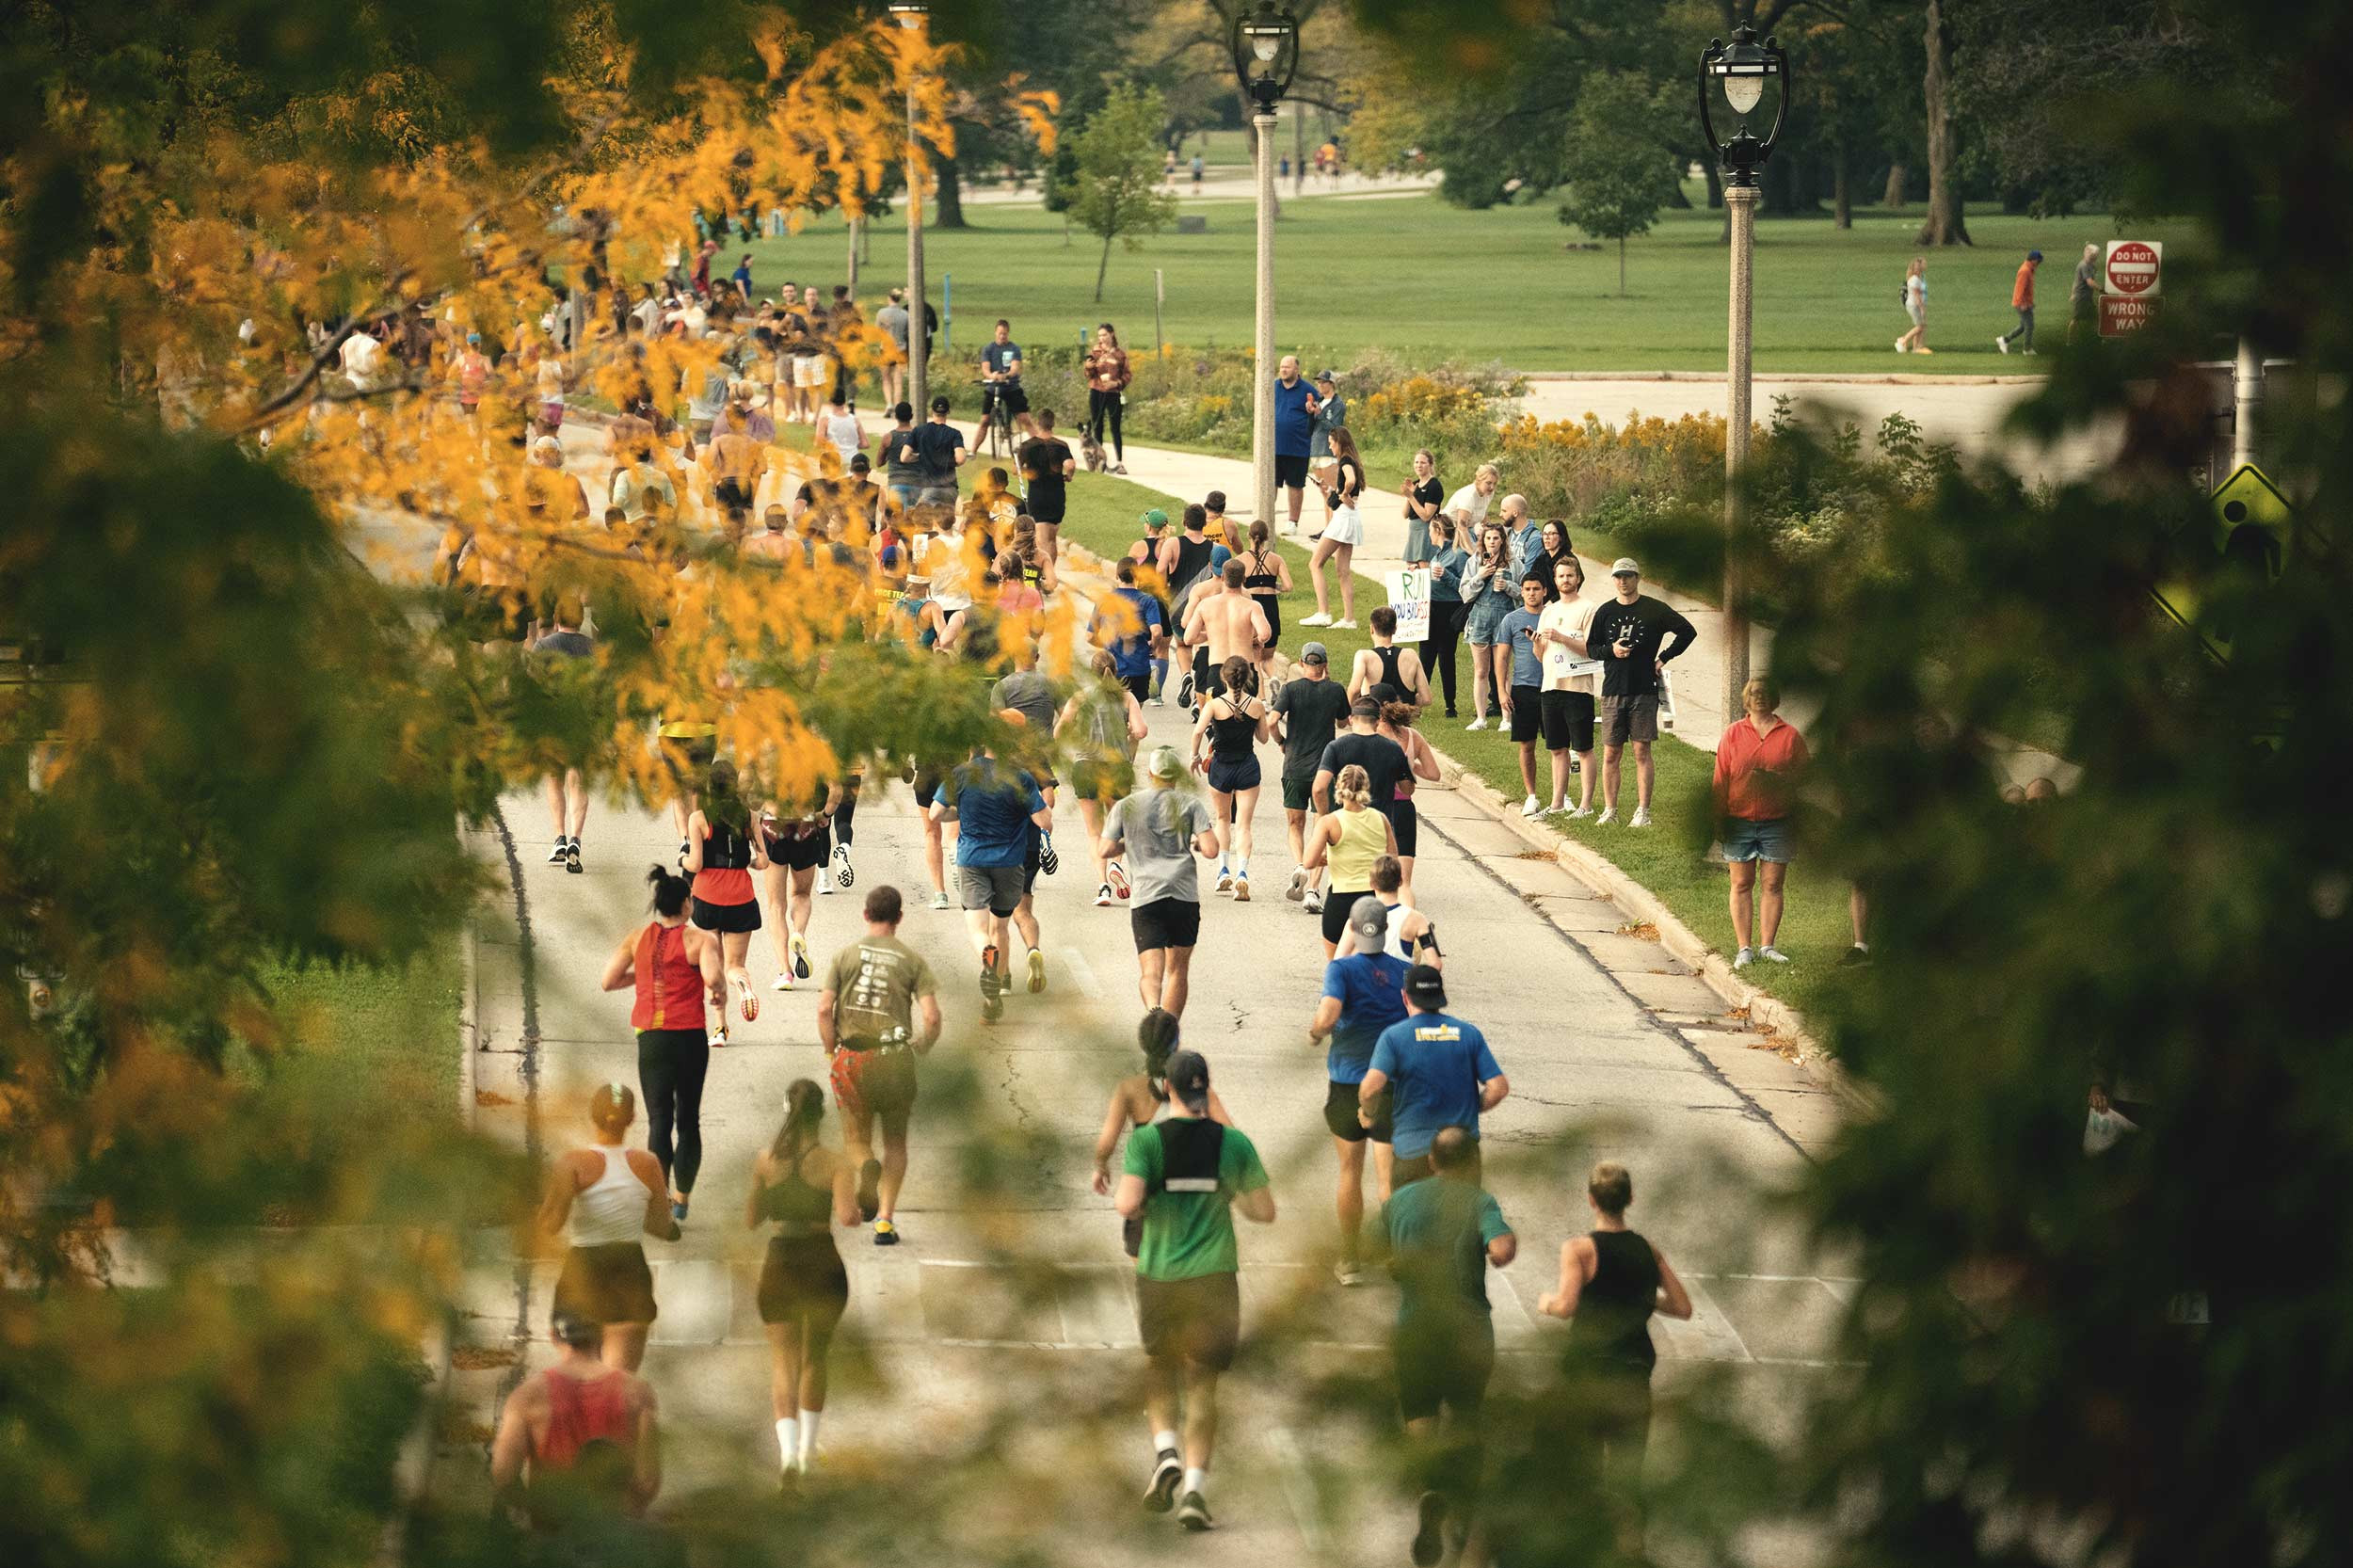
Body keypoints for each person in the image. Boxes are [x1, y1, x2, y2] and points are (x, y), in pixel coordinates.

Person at [1114, 1048, 1274, 1532]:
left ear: (1168, 1089)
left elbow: (1127, 1204)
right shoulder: (1233, 1144)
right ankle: (1195, 1491)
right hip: (1214, 1277)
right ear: (1206, 1089)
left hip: (1160, 1273)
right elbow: (1263, 1211)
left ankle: (1166, 1453)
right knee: (1203, 1382)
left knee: (1160, 1368)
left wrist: (1151, 1200)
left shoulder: (1148, 1142)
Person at [1532, 1161, 1695, 1558]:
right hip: (1634, 1371)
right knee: (1628, 1469)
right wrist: (1640, 1298)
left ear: (1591, 1200)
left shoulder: (1580, 1250)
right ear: (1630, 1200)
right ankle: (1631, 1548)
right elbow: (1682, 1306)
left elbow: (1569, 1304)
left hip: (1589, 1370)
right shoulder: (1647, 1250)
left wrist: (1547, 1304)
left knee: (1582, 1463)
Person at [1384, 1125, 1515, 1566]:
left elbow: (1378, 1252)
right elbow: (1501, 1248)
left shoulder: (1400, 1201)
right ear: (1473, 1163)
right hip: (1469, 1330)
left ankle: (1429, 1490)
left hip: (1414, 1328)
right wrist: (1500, 1247)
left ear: (1432, 1162)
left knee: (1419, 1417)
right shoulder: (1480, 1202)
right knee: (1466, 1418)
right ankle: (1461, 1511)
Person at [818, 885, 943, 1249]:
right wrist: (922, 1046)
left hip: (853, 1057)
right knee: (896, 1142)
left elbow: (824, 1009)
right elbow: (932, 1018)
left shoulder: (844, 956)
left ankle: (865, 1165)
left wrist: (831, 1051)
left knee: (856, 1138)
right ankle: (885, 1220)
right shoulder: (911, 960)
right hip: (894, 1058)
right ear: (899, 918)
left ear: (866, 914)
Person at [747, 1079, 858, 1480]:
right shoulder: (836, 1163)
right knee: (815, 1357)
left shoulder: (766, 1160)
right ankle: (810, 1451)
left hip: (780, 1262)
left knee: (783, 1361)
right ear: (822, 1114)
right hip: (821, 1261)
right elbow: (847, 1217)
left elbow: (750, 1219)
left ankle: (788, 1456)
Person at [600, 867, 723, 1224]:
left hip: (651, 1038)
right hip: (689, 1037)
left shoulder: (637, 939)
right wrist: (719, 991)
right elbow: (713, 977)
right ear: (686, 906)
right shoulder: (700, 941)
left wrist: (642, 978)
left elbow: (608, 981)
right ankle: (681, 1197)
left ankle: (658, 1201)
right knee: (688, 1120)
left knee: (658, 1121)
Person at [538, 1085, 680, 1372]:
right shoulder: (648, 1164)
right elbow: (659, 1226)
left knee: (579, 1375)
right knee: (619, 1382)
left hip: (582, 1271)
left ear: (593, 1116)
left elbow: (551, 1226)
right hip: (629, 1270)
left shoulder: (573, 1163)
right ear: (631, 1119)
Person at [1307, 895, 1410, 1283]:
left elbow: (1329, 1014)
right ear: (1385, 931)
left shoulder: (1341, 970)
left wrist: (1316, 1032)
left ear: (1352, 929)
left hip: (1348, 1081)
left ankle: (1350, 1259)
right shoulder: (1404, 971)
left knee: (1350, 1171)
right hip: (1390, 1083)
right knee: (1389, 1177)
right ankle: (1396, 1253)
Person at [489, 1306, 662, 1522]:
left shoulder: (528, 1396)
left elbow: (503, 1474)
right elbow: (648, 1481)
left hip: (553, 1536)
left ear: (553, 1335)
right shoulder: (637, 1392)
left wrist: (537, 1508)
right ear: (601, 1336)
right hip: (615, 1538)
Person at [931, 727, 1053, 1021]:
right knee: (1001, 925)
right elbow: (1044, 821)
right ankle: (995, 990)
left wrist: (962, 812)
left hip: (972, 859)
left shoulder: (961, 773)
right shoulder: (1020, 777)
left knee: (977, 926)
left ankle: (988, 963)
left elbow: (936, 813)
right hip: (1010, 863)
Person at [1093, 1010, 1235, 1256]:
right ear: (1177, 1042)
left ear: (1143, 1044)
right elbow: (1229, 1134)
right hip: (1190, 1200)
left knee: (1148, 1277)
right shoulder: (1197, 1089)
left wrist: (1100, 1166)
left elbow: (1107, 1140)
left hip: (1147, 1196)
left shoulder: (1130, 1089)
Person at [1098, 746, 1221, 1019]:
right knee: (1177, 970)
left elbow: (1105, 850)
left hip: (1146, 896)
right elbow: (1213, 850)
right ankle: (1170, 1031)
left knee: (1150, 972)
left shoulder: (1126, 805)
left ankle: (1154, 1012)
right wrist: (1196, 843)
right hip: (1183, 895)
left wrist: (1128, 842)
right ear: (1176, 774)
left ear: (1150, 773)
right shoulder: (1190, 805)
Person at [1361, 966, 1508, 1187]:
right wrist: (1472, 1106)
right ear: (1440, 995)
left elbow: (1370, 1088)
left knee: (1409, 1218)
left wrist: (1369, 1113)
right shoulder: (1468, 1033)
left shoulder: (1394, 1037)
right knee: (1462, 1219)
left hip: (1412, 1151)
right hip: (1460, 1151)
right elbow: (1499, 1087)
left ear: (1405, 996)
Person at [1585, 559, 1698, 827]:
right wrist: (1610, 651)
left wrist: (1663, 658)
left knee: (1641, 751)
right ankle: (1610, 810)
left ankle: (1642, 811)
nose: (1623, 581)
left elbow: (1687, 631)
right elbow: (1591, 647)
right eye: (1618, 577)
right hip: (1612, 690)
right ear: (1613, 580)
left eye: (1628, 576)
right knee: (1611, 752)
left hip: (1643, 690)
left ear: (1638, 578)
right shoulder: (1606, 611)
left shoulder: (1654, 609)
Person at [1715, 676, 1809, 968]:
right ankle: (1744, 948)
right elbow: (1721, 777)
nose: (1759, 698)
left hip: (1777, 820)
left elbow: (1804, 778)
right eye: (1754, 693)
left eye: (1765, 693)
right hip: (1738, 819)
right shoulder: (1733, 734)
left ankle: (1768, 945)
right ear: (1746, 698)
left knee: (1773, 883)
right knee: (1741, 882)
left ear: (1774, 699)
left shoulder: (1790, 736)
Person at [1059, 648, 1150, 905]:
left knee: (1094, 833)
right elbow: (1141, 731)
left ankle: (1102, 887)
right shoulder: (1126, 697)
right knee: (1117, 825)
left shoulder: (1080, 698)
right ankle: (1116, 866)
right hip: (1117, 767)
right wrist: (1130, 732)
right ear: (1115, 670)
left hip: (1085, 766)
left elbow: (1059, 732)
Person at [685, 760, 768, 1040]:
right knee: (734, 966)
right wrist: (751, 865)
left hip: (707, 897)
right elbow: (764, 861)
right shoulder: (749, 815)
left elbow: (695, 864)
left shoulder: (698, 818)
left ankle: (720, 1028)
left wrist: (681, 859)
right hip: (740, 896)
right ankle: (742, 983)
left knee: (713, 966)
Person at [1272, 641, 1352, 913]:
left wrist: (1281, 741)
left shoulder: (1291, 690)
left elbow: (1271, 721)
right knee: (1323, 828)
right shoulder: (1336, 690)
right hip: (1326, 770)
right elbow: (1343, 722)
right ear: (1325, 665)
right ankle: (1313, 891)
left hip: (1294, 766)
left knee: (1295, 824)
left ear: (1302, 663)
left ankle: (1299, 864)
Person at [1190, 655, 1274, 900]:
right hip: (1247, 765)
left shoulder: (1214, 705)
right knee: (1245, 825)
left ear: (1222, 678)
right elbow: (1264, 738)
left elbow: (1197, 732)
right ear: (1247, 678)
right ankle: (1243, 873)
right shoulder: (1256, 704)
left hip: (1221, 767)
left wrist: (1195, 756)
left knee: (1223, 819)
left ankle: (1223, 869)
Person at [1302, 763, 1398, 957]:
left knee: (1337, 965)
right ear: (1366, 787)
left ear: (1337, 787)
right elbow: (1393, 859)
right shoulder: (1381, 819)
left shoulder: (1329, 822)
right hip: (1374, 897)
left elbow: (1308, 861)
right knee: (1371, 960)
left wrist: (1328, 858)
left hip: (1341, 898)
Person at [1536, 555, 1602, 816]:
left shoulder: (1588, 609)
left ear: (1578, 578)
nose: (1565, 580)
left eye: (1570, 575)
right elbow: (1541, 654)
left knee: (1583, 747)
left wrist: (1562, 637)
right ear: (1555, 580)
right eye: (1561, 576)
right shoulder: (1549, 610)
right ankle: (1557, 803)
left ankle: (1585, 804)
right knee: (1556, 748)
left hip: (1578, 687)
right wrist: (1537, 642)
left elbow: (1592, 649)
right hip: (1550, 685)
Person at [760, 780, 842, 991]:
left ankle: (785, 971)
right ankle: (799, 933)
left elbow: (743, 787)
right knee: (802, 894)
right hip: (805, 823)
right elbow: (836, 789)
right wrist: (825, 815)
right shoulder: (813, 748)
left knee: (776, 905)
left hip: (773, 824)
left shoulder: (762, 747)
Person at [535, 599, 595, 872]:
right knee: (578, 781)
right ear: (581, 619)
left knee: (554, 780)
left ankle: (559, 837)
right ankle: (575, 838)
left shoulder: (543, 647)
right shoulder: (593, 648)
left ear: (556, 618)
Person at [1179, 558, 1273, 714]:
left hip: (1218, 669)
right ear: (1244, 579)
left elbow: (1188, 638)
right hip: (1245, 667)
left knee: (1218, 718)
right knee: (1246, 717)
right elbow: (1264, 634)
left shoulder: (1206, 605)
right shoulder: (1252, 606)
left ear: (1222, 577)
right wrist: (1252, 639)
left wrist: (1210, 635)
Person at [1497, 575, 1554, 816]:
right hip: (1523, 688)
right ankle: (1531, 795)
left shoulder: (1553, 616)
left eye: (1536, 589)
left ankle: (1563, 796)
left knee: (1558, 746)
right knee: (1526, 744)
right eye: (1527, 589)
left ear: (1544, 591)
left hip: (1552, 686)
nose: (1532, 593)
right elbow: (1501, 657)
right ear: (1521, 592)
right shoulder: (1511, 620)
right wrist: (1501, 690)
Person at [1300, 424, 1366, 628]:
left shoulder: (1345, 460)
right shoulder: (1353, 460)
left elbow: (1351, 480)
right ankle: (1349, 618)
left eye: (1331, 443)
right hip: (1351, 516)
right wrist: (1331, 490)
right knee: (1342, 570)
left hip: (1343, 518)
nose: (1330, 447)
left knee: (1315, 563)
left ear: (1339, 442)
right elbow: (1348, 484)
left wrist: (1344, 493)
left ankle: (1324, 613)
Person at [1376, 700, 1443, 899]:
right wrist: (1411, 767)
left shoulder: (1373, 735)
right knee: (1404, 883)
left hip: (1378, 806)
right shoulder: (1413, 737)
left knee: (1375, 876)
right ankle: (1405, 920)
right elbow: (1434, 774)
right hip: (1404, 806)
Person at [1334, 854, 1443, 966]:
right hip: (1399, 980)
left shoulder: (1356, 920)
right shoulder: (1416, 919)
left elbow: (1338, 962)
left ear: (1372, 884)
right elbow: (1436, 964)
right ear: (1400, 881)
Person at [1463, 519, 1518, 730]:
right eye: (1488, 538)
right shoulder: (1474, 562)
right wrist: (1480, 576)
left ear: (1503, 540)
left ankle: (1506, 718)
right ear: (1482, 541)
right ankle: (1480, 718)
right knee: (1480, 670)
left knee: (1502, 670)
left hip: (1504, 619)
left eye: (1496, 538)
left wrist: (1508, 586)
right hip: (1479, 620)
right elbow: (1465, 594)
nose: (1492, 542)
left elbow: (1526, 592)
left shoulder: (1513, 563)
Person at [1095, 557, 1168, 707]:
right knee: (1135, 713)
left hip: (1111, 667)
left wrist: (1106, 644)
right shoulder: (1147, 601)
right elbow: (1156, 631)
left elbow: (1090, 635)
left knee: (1114, 714)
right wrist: (1153, 648)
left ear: (1117, 576)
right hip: (1138, 668)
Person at [1421, 513, 1472, 717]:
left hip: (1448, 609)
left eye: (1431, 532)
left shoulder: (1458, 555)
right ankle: (1418, 701)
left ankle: (1450, 703)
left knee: (1445, 656)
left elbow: (1466, 586)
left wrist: (1446, 576)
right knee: (1425, 656)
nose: (1429, 536)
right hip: (1431, 607)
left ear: (1438, 531)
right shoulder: (1437, 554)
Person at [1016, 407, 1076, 564]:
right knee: (1051, 539)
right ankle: (1050, 572)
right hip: (1057, 496)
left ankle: (1044, 574)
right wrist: (1068, 477)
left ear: (1038, 423)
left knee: (1041, 539)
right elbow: (1069, 465)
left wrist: (1026, 471)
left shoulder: (1028, 445)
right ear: (1053, 423)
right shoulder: (1061, 445)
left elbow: (1015, 469)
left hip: (1038, 495)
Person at [1347, 604, 1433, 710]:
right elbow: (1427, 698)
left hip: (1374, 720)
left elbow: (1354, 690)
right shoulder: (1411, 655)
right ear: (1395, 629)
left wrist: (1348, 712)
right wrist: (1408, 707)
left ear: (1372, 629)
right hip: (1402, 720)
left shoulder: (1364, 656)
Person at [1238, 520, 1292, 682]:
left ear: (1248, 535)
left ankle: (1262, 697)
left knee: (1255, 658)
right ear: (1266, 537)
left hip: (1252, 606)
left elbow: (1237, 587)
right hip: (1271, 606)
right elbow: (1288, 586)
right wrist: (1273, 585)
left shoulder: (1241, 559)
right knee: (1267, 657)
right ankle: (1274, 677)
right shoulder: (1276, 559)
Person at [1272, 354, 1317, 535]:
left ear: (1297, 370)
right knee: (1270, 483)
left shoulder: (1307, 390)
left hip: (1298, 448)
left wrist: (1313, 411)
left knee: (1295, 485)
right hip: (1273, 447)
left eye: (1287, 367)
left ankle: (1293, 522)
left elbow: (1316, 412)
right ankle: (1265, 517)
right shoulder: (1273, 387)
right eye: (1282, 366)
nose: (1283, 370)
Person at [1084, 322, 1132, 472]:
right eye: (1099, 335)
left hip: (1113, 393)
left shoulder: (1120, 354)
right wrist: (1088, 367)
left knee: (1115, 427)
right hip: (1096, 390)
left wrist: (1116, 383)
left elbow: (1128, 375)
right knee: (1097, 426)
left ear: (1111, 334)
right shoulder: (1095, 352)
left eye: (1104, 335)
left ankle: (1119, 462)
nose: (1102, 338)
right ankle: (1099, 460)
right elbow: (1088, 375)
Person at [980, 318, 1036, 440]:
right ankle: (973, 450)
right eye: (1000, 333)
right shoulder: (988, 349)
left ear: (1008, 333)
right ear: (995, 332)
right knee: (984, 421)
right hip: (993, 387)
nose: (1002, 336)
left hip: (1011, 386)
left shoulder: (1014, 349)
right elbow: (985, 369)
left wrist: (1006, 376)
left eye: (1004, 334)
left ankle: (1040, 444)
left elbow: (1015, 368)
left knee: (1024, 418)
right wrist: (992, 376)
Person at [1307, 368, 1346, 530]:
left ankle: (1333, 528)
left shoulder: (1338, 405)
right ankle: (1328, 527)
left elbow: (1335, 428)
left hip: (1329, 451)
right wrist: (1310, 413)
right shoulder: (1319, 402)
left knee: (1332, 491)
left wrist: (1320, 414)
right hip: (1316, 449)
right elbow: (1311, 427)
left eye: (1323, 382)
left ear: (1331, 384)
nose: (1320, 385)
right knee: (1324, 492)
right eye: (1319, 382)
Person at [917, 394, 968, 506]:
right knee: (946, 522)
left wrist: (921, 458)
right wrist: (948, 461)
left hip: (929, 487)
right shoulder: (954, 434)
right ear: (948, 411)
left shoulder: (920, 431)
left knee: (929, 522)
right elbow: (960, 459)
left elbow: (904, 456)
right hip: (950, 489)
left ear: (932, 411)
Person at [878, 401, 927, 513]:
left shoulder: (888, 437)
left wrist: (889, 455)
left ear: (896, 416)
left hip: (896, 482)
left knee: (897, 520)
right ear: (911, 416)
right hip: (916, 483)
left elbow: (879, 463)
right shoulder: (920, 436)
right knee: (912, 520)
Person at [1401, 448, 1443, 566]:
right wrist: (1410, 495)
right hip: (1413, 529)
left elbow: (1426, 516)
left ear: (1430, 465)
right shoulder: (1415, 484)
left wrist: (1411, 497)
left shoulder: (1434, 485)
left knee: (1424, 564)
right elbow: (1405, 514)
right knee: (1411, 565)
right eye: (1416, 462)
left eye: (1423, 463)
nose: (1419, 465)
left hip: (1426, 529)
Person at [1997, 248, 2042, 355]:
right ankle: (2027, 349)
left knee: (2023, 326)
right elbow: (2019, 289)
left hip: (2026, 303)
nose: (2039, 262)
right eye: (2038, 260)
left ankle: (2004, 340)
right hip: (2022, 304)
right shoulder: (2025, 271)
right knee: (2029, 325)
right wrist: (2022, 303)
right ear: (2034, 260)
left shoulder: (2029, 269)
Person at [876, 288, 910, 408]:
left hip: (886, 348)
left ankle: (889, 403)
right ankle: (897, 406)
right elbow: (908, 332)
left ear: (889, 298)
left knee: (886, 378)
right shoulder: (905, 314)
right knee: (898, 380)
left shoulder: (881, 313)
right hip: (901, 348)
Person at [1443, 462, 1498, 533]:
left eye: (1495, 483)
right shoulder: (1469, 495)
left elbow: (1483, 512)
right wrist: (1468, 544)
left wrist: (1491, 530)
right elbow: (1461, 526)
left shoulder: (1488, 493)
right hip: (1449, 529)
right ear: (1479, 480)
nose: (1492, 487)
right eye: (1488, 483)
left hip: (1468, 528)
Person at [1896, 255, 1930, 355]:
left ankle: (1916, 348)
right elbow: (1917, 295)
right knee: (1920, 326)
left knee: (1920, 325)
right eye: (1923, 264)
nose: (1925, 265)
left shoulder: (1921, 277)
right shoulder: (1914, 279)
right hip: (1914, 305)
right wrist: (1922, 308)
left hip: (1917, 304)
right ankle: (1903, 340)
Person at [2069, 241, 2102, 344]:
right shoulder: (2084, 266)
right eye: (2093, 255)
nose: (2095, 257)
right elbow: (2089, 282)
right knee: (2076, 320)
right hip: (2081, 297)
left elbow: (2075, 281)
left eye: (2095, 255)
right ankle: (2070, 341)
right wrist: (2101, 289)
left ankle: (2099, 338)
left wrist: (2072, 293)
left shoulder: (2091, 265)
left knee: (2096, 318)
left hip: (2087, 297)